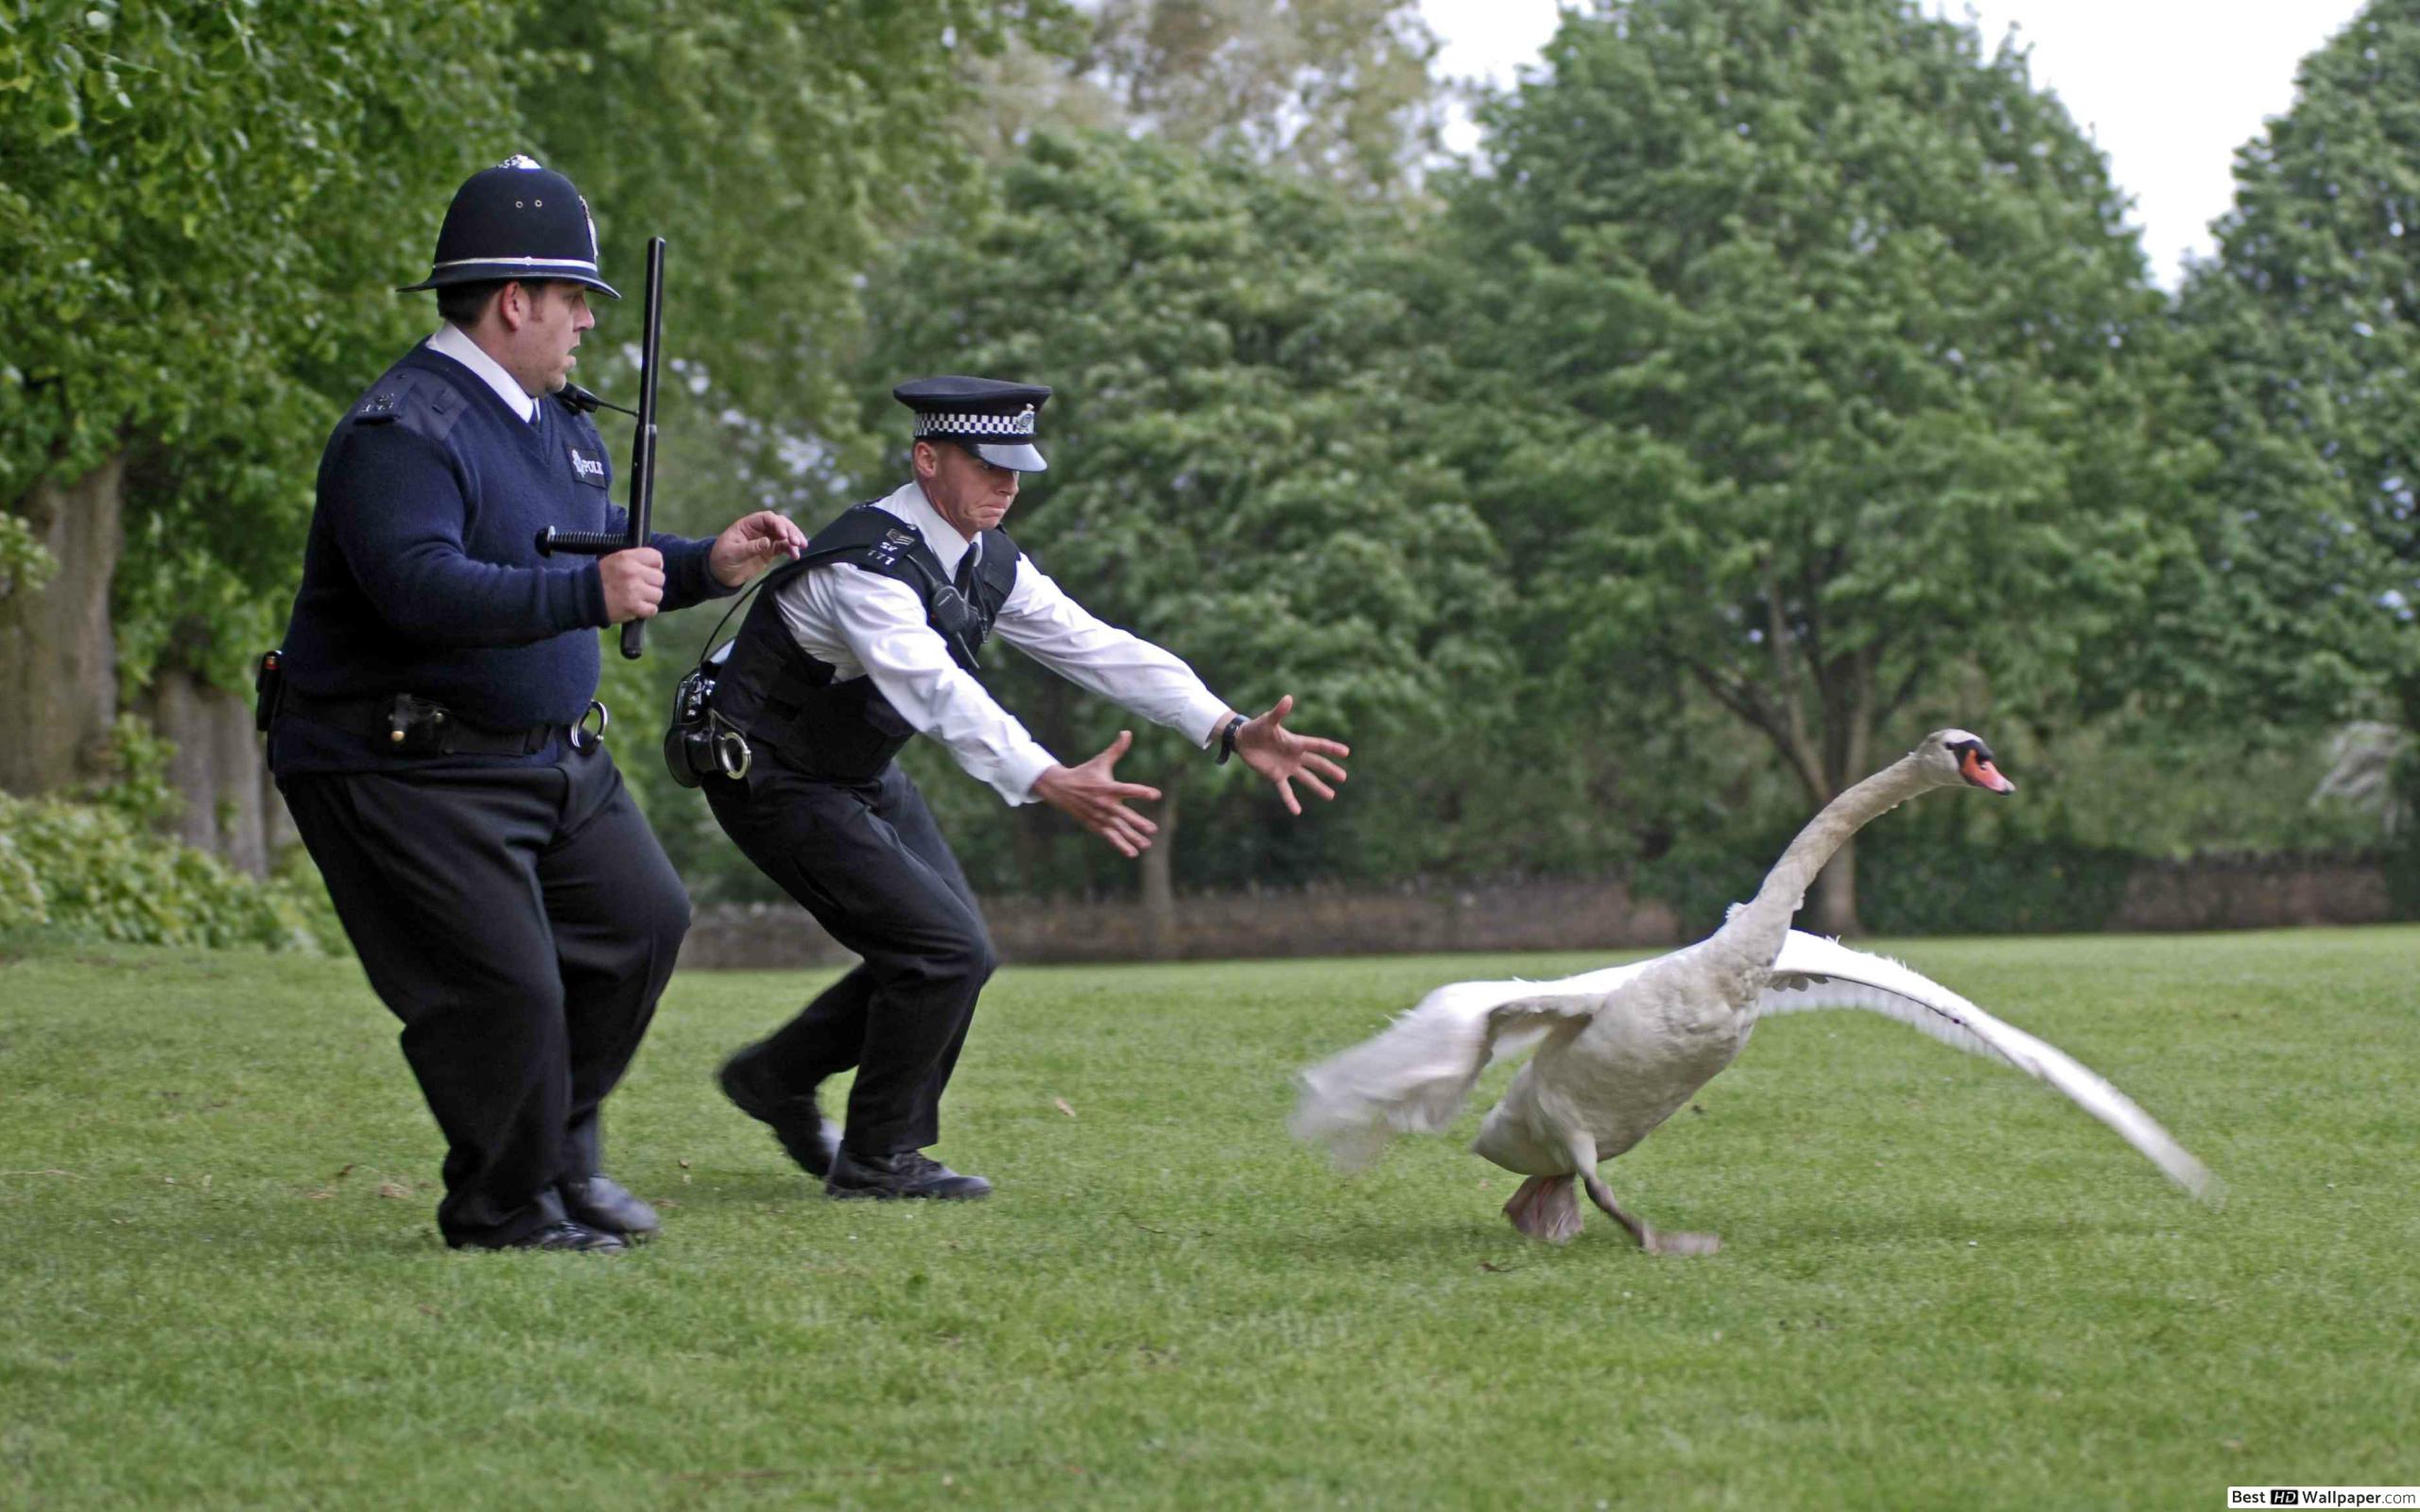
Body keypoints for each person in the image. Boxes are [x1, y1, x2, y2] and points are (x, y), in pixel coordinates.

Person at [268, 156, 807, 1253]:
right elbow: (417, 587)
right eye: (575, 302)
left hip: (547, 755)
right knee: (504, 991)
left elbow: (593, 540)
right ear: (514, 300)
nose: (587, 328)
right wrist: (583, 594)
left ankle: (557, 1159)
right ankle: (504, 1207)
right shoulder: (401, 431)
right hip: (401, 761)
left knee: (639, 924)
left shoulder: (554, 420)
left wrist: (708, 562)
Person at [703, 376, 1351, 1200]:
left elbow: (1095, 646)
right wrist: (1042, 774)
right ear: (928, 459)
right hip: (769, 775)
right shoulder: (869, 569)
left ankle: (775, 1077)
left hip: (851, 770)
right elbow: (935, 690)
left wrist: (1226, 725)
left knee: (952, 953)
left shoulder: (982, 559)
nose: (1009, 484)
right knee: (944, 952)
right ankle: (876, 1160)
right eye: (988, 465)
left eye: (1018, 467)